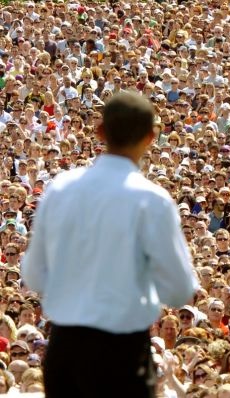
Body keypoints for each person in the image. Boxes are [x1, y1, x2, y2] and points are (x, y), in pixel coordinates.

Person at [22, 91, 198, 397]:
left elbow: (34, 276)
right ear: (151, 136)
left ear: (100, 131)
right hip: (123, 352)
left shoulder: (60, 189)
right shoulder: (152, 201)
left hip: (66, 349)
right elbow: (180, 290)